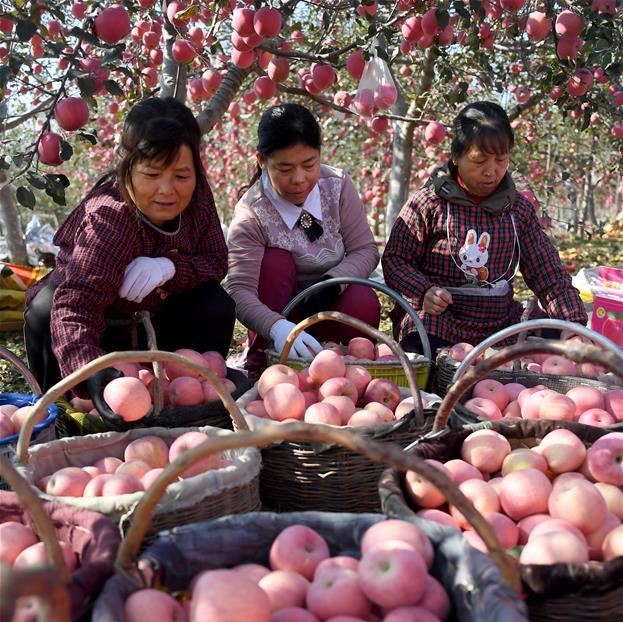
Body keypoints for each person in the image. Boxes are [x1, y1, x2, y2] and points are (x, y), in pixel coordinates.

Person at [24, 96, 235, 427]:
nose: (167, 190)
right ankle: (64, 414)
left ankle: (196, 399)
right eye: (152, 174)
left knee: (213, 303)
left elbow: (216, 260)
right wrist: (89, 372)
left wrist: (170, 268)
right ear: (126, 167)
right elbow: (75, 307)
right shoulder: (110, 219)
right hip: (97, 334)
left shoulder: (198, 198)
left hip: (154, 326)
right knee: (46, 308)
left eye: (181, 175)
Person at [382, 101, 588, 356]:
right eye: (479, 160)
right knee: (421, 345)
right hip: (442, 321)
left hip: (500, 325)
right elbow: (395, 259)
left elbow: (548, 272)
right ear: (456, 157)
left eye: (501, 160)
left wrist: (573, 323)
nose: (491, 171)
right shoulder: (428, 204)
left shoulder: (517, 211)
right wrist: (422, 291)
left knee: (557, 343)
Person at [226, 103, 381, 376]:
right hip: (280, 318)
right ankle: (264, 363)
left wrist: (331, 284)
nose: (299, 179)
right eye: (284, 169)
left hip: (330, 311)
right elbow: (239, 291)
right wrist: (277, 326)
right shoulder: (253, 212)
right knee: (275, 262)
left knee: (361, 297)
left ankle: (352, 367)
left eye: (309, 164)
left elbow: (365, 250)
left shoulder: (336, 187)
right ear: (261, 161)